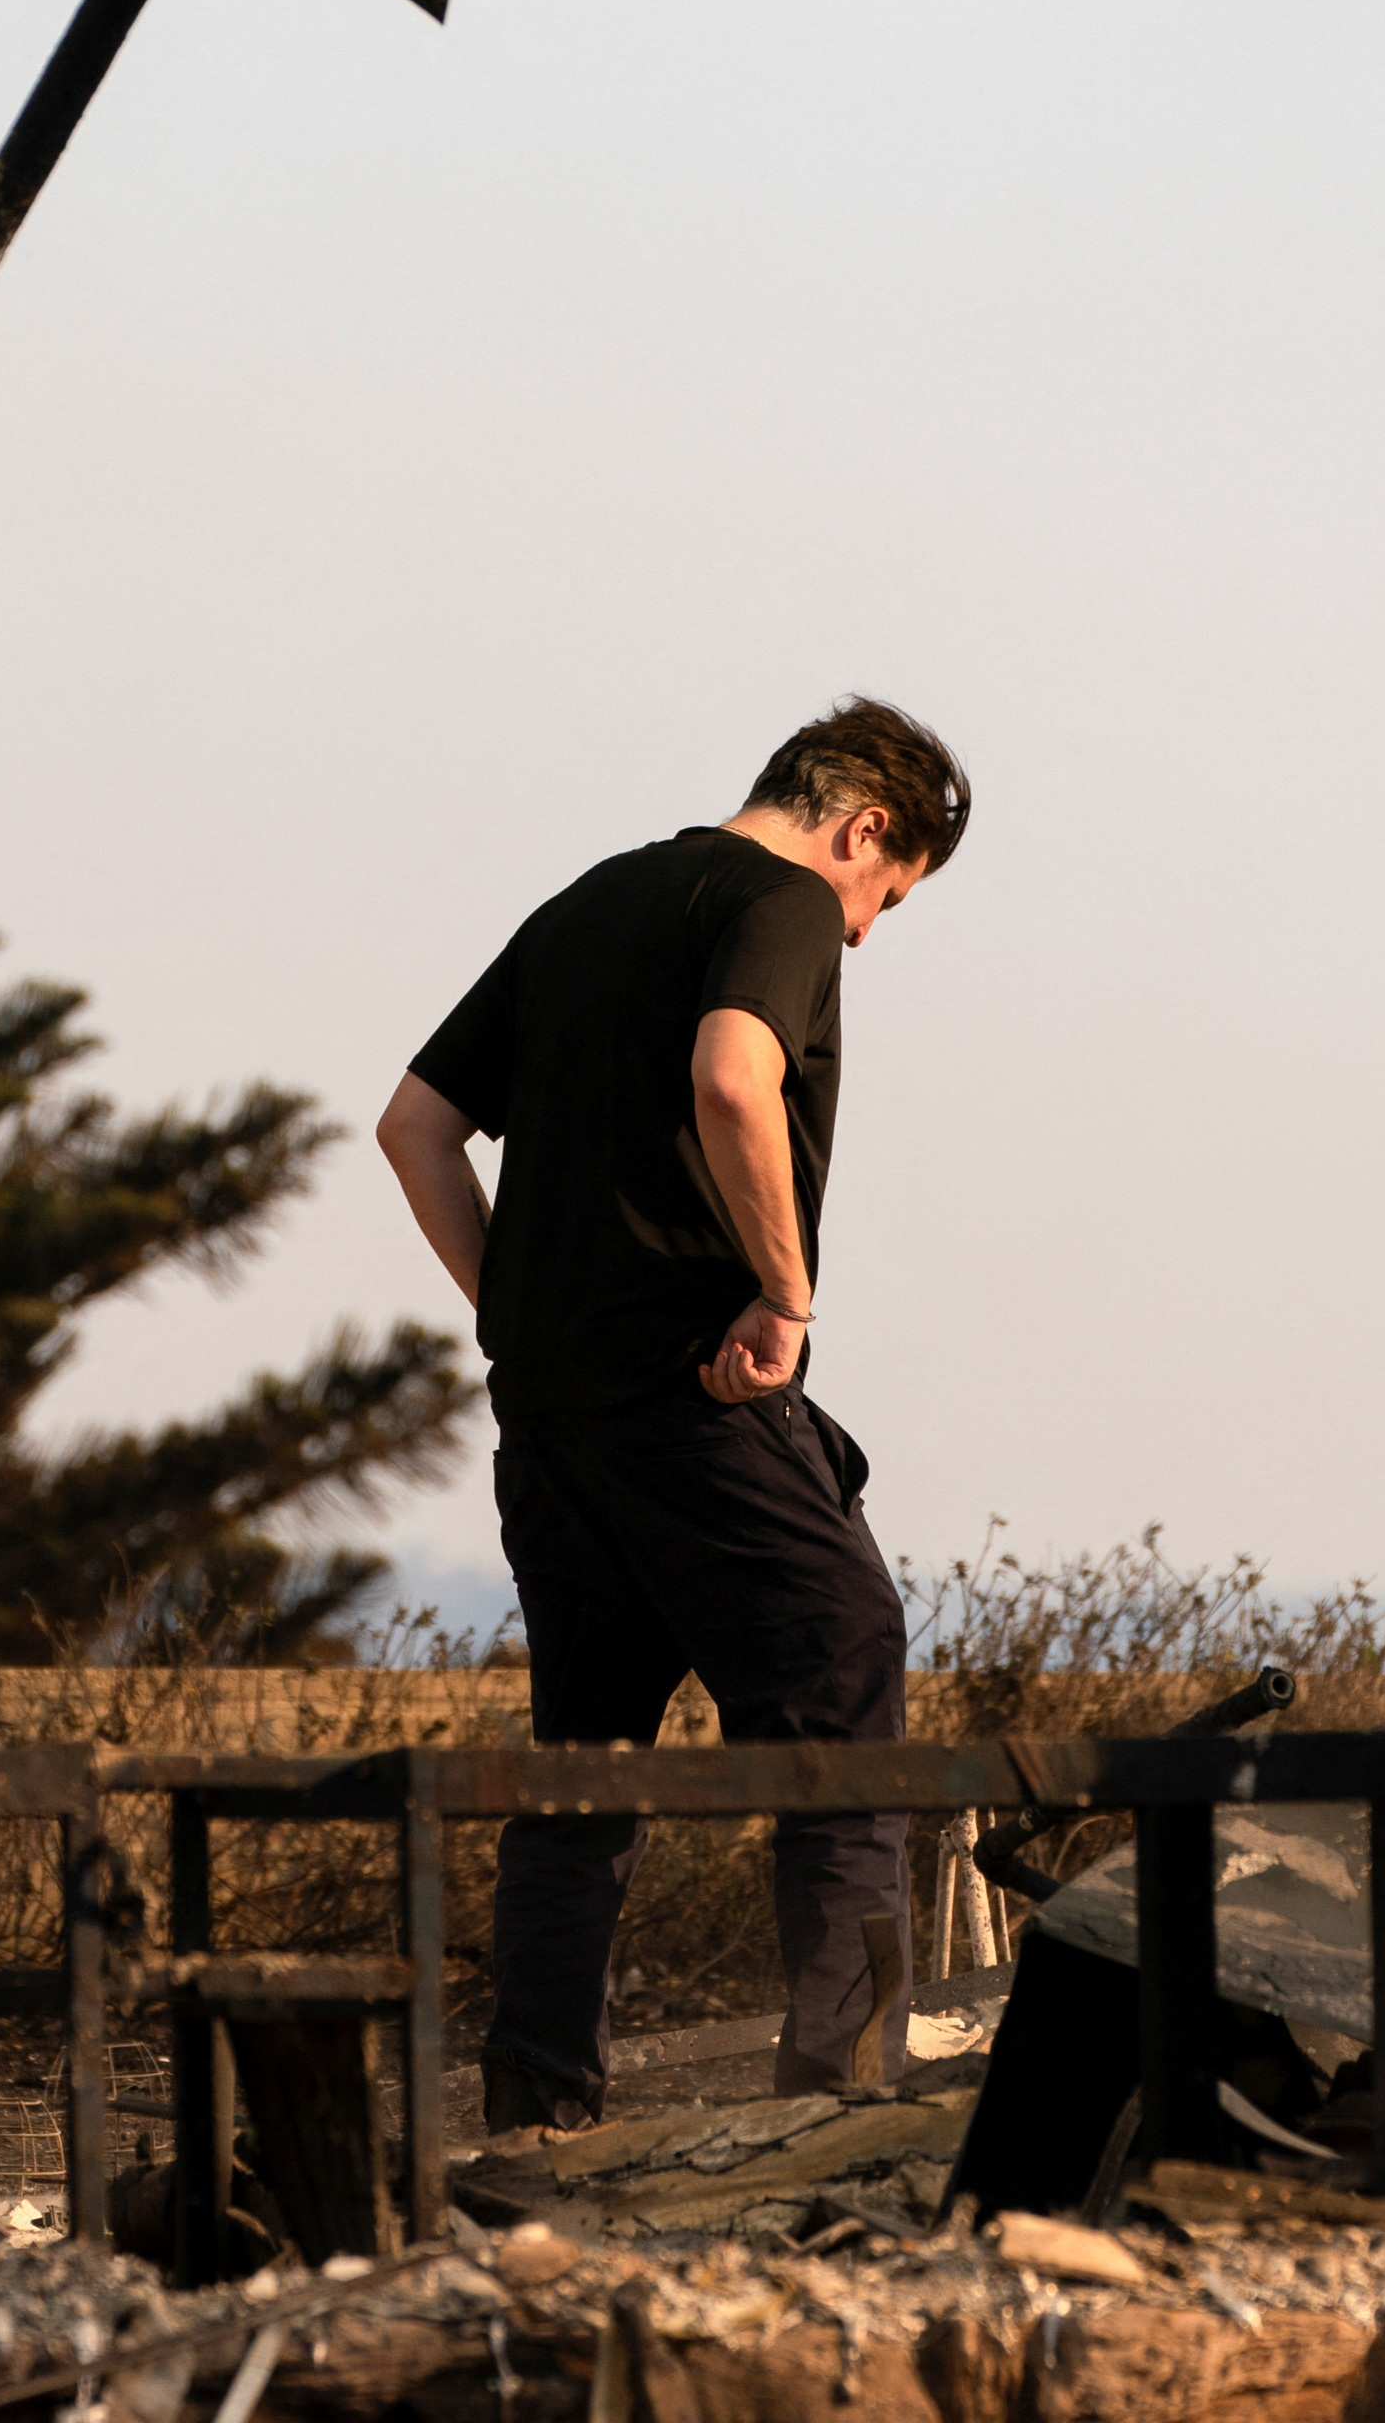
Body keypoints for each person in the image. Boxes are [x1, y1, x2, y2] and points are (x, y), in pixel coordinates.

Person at [376, 697, 972, 2136]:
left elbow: (414, 1127)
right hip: (697, 1397)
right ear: (865, 830)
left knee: (583, 1764)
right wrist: (784, 1292)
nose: (866, 936)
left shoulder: (586, 903)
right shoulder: (785, 902)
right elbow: (730, 1073)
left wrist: (517, 1312)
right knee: (844, 1693)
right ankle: (838, 2109)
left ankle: (536, 2122)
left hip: (553, 1422)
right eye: (888, 900)